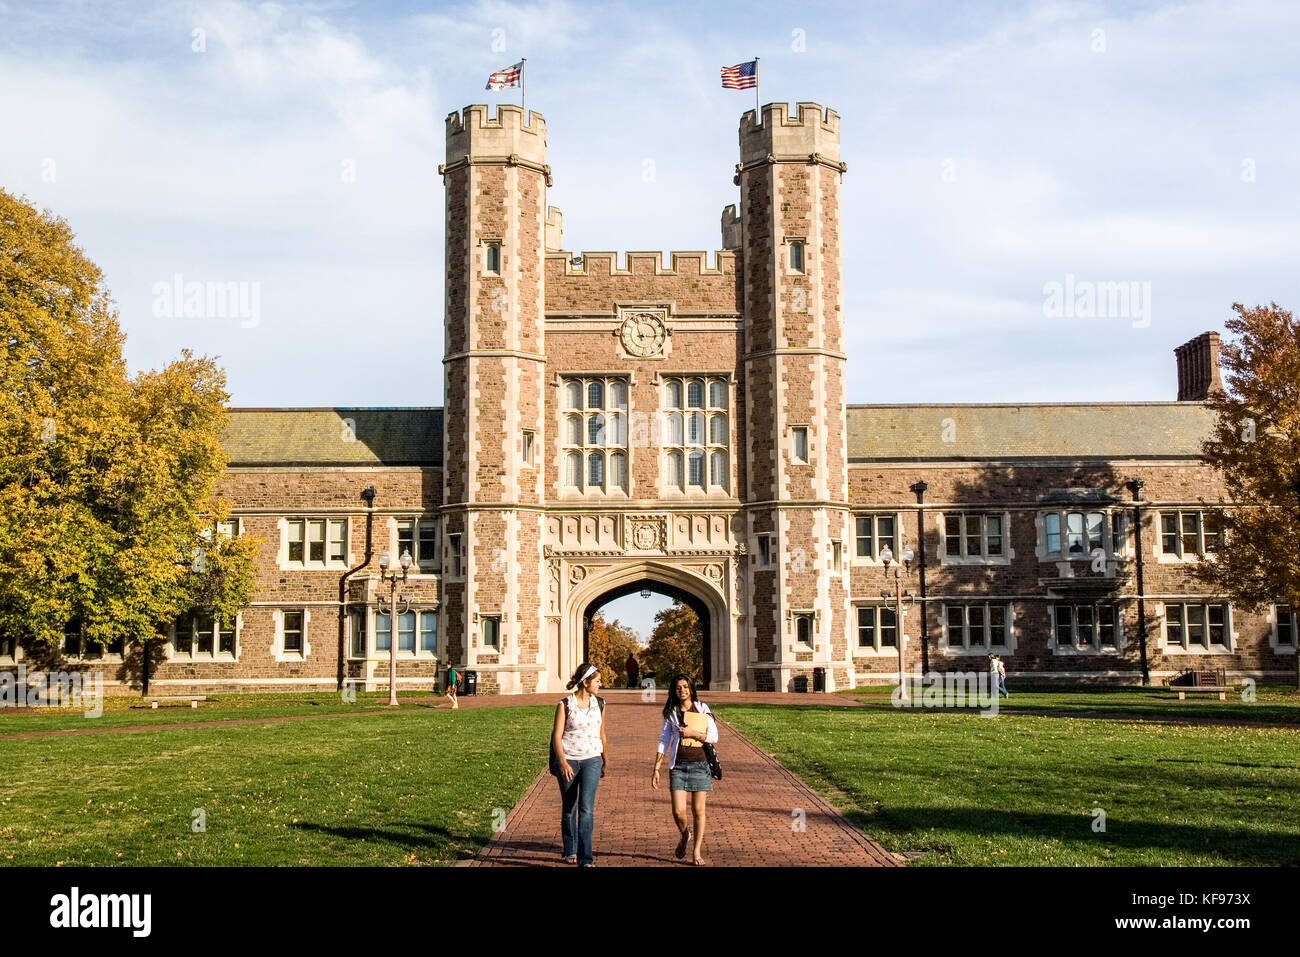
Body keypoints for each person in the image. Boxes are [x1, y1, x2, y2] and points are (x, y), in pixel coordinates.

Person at [651, 673, 718, 866]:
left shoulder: (702, 708)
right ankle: (685, 834)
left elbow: (714, 736)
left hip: (699, 764)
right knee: (678, 811)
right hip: (678, 766)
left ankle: (696, 851)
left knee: (698, 810)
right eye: (678, 687)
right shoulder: (670, 712)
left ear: (691, 688)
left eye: (686, 687)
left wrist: (693, 733)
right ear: (674, 690)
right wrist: (656, 767)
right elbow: (664, 739)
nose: (682, 691)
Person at [552, 663, 607, 866]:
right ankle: (570, 849)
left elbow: (602, 734)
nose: (600, 684)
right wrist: (563, 762)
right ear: (585, 682)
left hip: (592, 759)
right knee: (570, 807)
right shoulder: (565, 704)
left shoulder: (600, 703)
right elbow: (557, 737)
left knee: (586, 809)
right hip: (569, 760)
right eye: (597, 681)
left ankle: (586, 859)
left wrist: (605, 760)